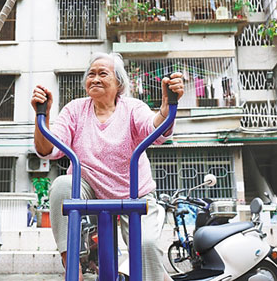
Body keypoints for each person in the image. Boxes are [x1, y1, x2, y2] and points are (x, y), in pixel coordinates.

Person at [31, 52, 184, 281]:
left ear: (118, 83)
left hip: (133, 192)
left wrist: (166, 107)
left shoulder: (132, 108)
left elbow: (154, 129)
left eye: (103, 73)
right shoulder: (75, 110)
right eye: (91, 74)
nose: (95, 79)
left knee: (146, 245)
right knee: (62, 185)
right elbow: (47, 149)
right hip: (89, 190)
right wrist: (41, 116)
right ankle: (72, 265)